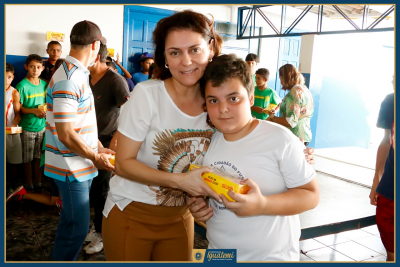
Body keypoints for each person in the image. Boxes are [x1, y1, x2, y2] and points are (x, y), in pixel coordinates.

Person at [102, 10, 224, 261]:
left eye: (194, 50)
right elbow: (123, 164)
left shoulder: (217, 101)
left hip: (181, 217)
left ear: (210, 48)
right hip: (131, 213)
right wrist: (181, 182)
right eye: (175, 52)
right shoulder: (148, 95)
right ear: (165, 58)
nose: (186, 61)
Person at [188, 54, 319, 261]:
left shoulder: (280, 139)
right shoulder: (209, 141)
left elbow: (311, 195)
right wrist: (199, 206)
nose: (223, 109)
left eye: (233, 98)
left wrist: (263, 205)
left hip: (271, 257)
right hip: (219, 254)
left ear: (250, 98)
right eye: (214, 100)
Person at [45, 20, 114, 261]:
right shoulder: (69, 79)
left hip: (77, 164)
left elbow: (79, 124)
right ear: (96, 45)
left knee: (71, 224)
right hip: (70, 167)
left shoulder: (76, 74)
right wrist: (96, 157)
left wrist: (99, 147)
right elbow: (66, 133)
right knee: (76, 229)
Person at [84, 43, 130, 255]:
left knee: (101, 189)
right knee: (90, 188)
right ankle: (96, 226)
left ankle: (103, 234)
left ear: (96, 57)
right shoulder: (86, 79)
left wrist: (117, 139)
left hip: (108, 140)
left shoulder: (115, 80)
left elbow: (130, 112)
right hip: (88, 140)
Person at [16, 54, 47, 192]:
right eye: (32, 67)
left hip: (42, 127)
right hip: (27, 128)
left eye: (38, 67)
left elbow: (49, 103)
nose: (35, 70)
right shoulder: (22, 85)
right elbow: (19, 109)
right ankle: (29, 184)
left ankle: (38, 183)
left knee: (38, 157)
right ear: (26, 67)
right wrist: (34, 111)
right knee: (27, 158)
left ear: (42, 68)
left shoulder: (45, 85)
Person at [369, 91, 394, 261]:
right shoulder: (391, 101)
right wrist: (376, 181)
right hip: (390, 190)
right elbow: (386, 141)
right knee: (392, 254)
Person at [267, 64, 314, 146]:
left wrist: (272, 118)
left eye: (281, 79)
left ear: (286, 78)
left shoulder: (294, 93)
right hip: (305, 134)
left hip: (296, 137)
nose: (281, 82)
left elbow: (290, 121)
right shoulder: (303, 89)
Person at [5, 63, 22, 192]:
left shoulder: (14, 92)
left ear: (12, 77)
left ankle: (10, 185)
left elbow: (18, 113)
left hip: (10, 130)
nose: (6, 80)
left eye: (9, 77)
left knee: (13, 160)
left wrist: (14, 125)